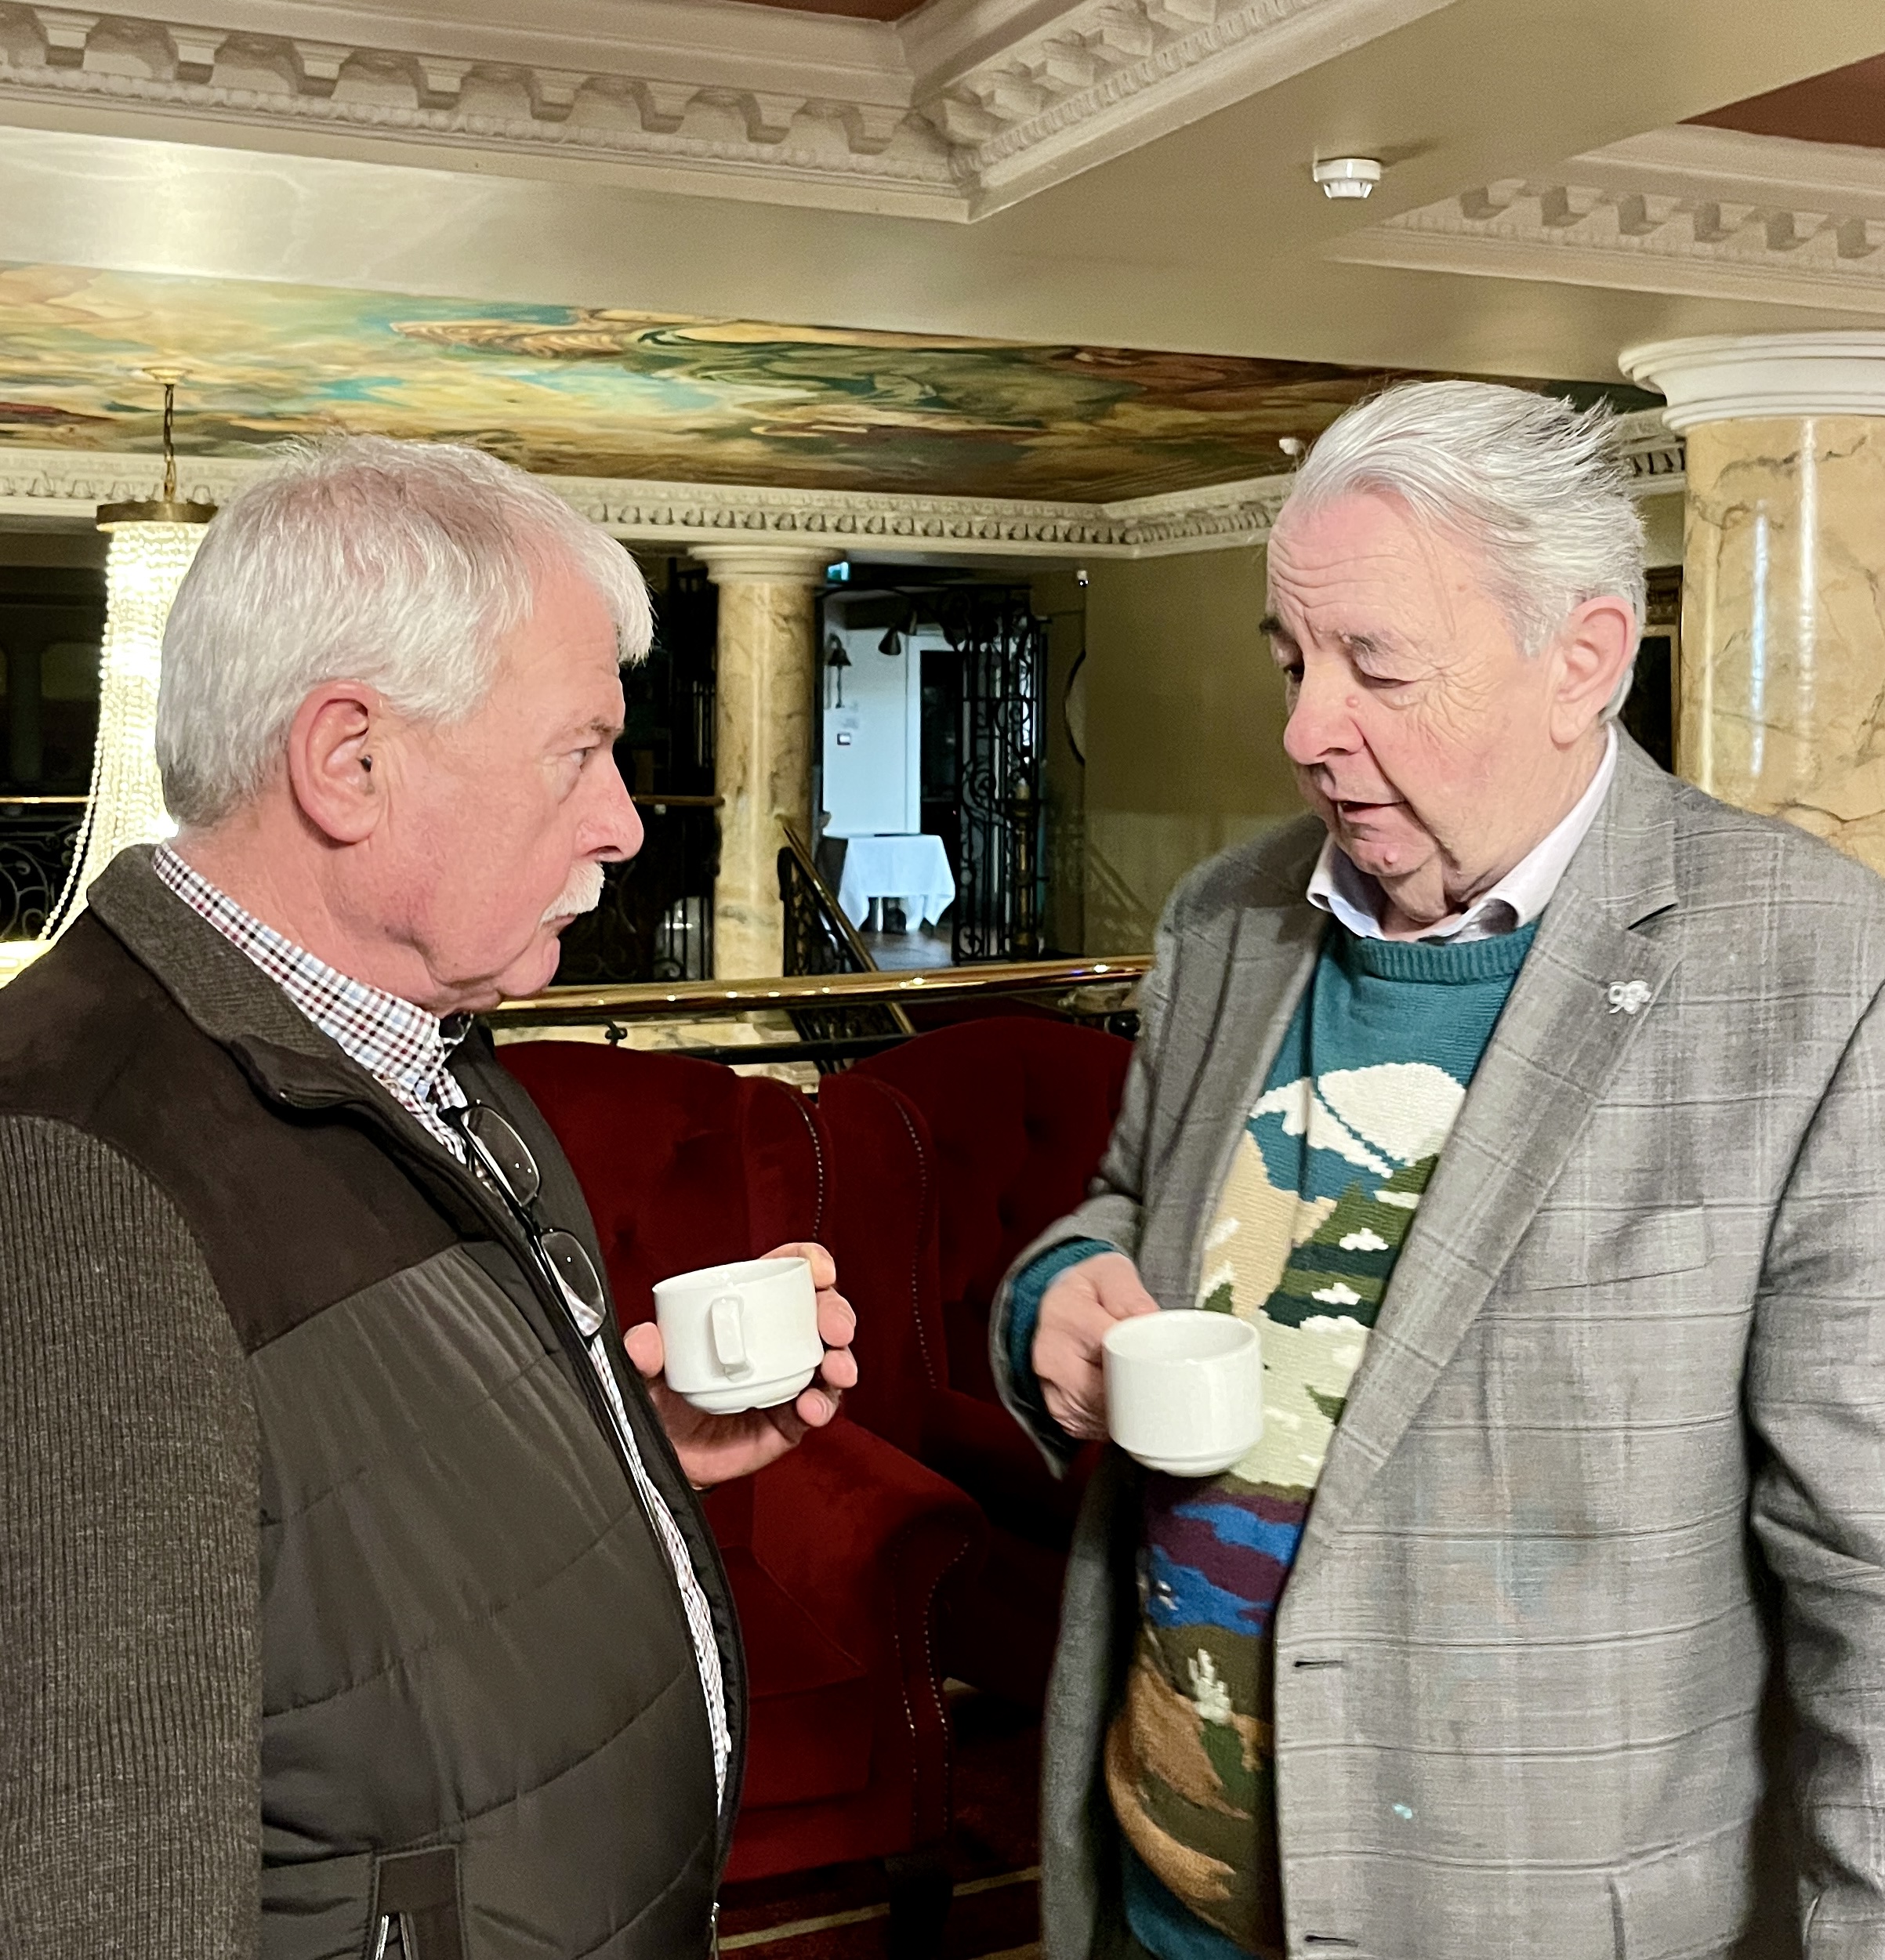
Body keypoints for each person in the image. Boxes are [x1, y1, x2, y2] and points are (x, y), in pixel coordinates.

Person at [994, 382, 1885, 1959]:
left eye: (1377, 666)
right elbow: (1135, 1204)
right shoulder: (1223, 918)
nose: (1303, 729)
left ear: (1583, 660)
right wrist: (1054, 1293)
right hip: (1163, 1895)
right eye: (1293, 661)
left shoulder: (1814, 969)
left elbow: (1867, 1570)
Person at [0, 437, 857, 1958]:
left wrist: (621, 1455)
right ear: (350, 762)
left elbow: (323, 1531)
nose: (623, 821)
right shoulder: (71, 1183)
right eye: (577, 751)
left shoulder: (426, 1041)